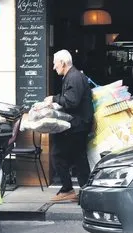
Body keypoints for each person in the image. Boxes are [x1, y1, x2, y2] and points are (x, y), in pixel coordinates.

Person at [43, 49, 94, 203]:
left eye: (55, 64)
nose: (53, 67)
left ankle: (68, 189)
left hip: (76, 126)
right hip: (79, 125)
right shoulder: (73, 76)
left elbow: (72, 101)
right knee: (78, 159)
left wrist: (54, 99)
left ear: (63, 63)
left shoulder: (73, 77)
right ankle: (84, 191)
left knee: (58, 155)